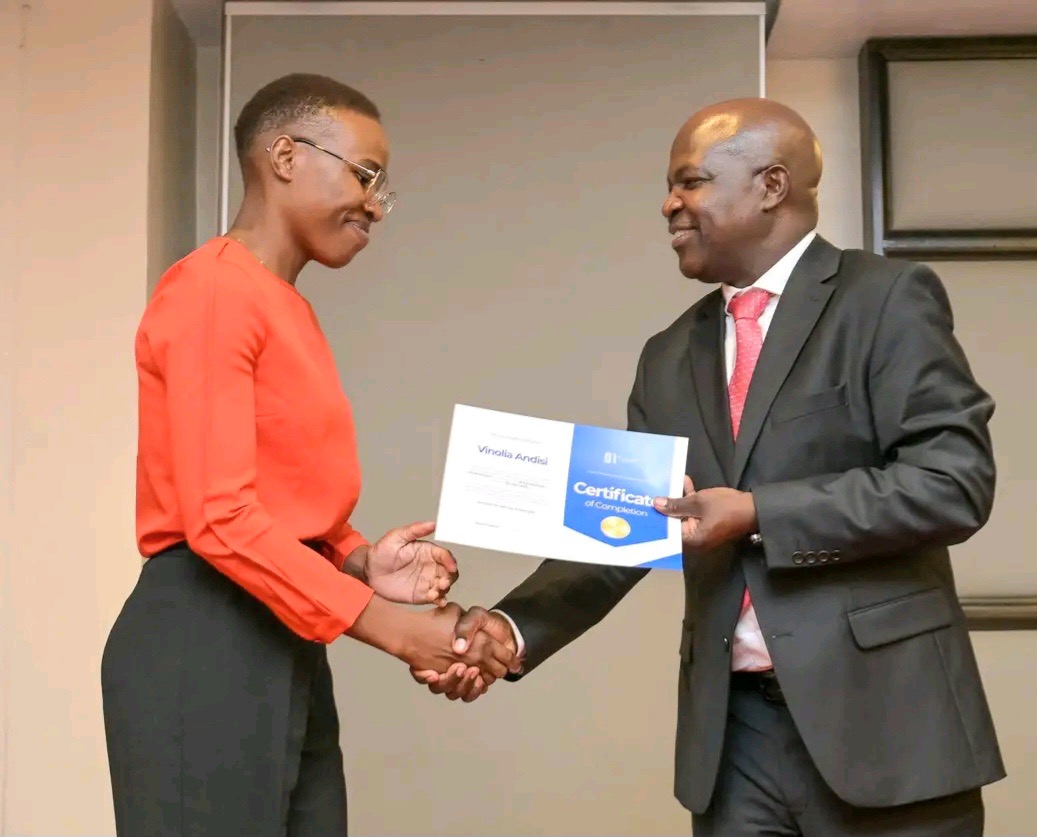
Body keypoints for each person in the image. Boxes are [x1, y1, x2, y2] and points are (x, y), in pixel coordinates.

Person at [415, 98, 1005, 836]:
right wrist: (511, 627)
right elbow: (630, 524)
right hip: (731, 743)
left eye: (689, 181)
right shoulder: (667, 355)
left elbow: (952, 482)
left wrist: (758, 513)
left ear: (771, 185)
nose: (669, 204)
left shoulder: (884, 299)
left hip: (886, 726)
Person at [101, 73, 518, 837]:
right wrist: (395, 628)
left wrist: (358, 561)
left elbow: (279, 504)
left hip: (282, 638)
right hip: (204, 641)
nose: (374, 205)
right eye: (364, 175)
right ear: (286, 157)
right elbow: (220, 518)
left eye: (380, 188)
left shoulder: (283, 305)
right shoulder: (213, 292)